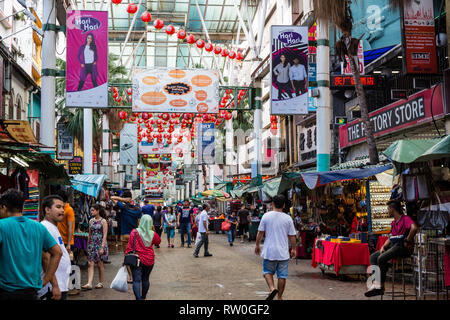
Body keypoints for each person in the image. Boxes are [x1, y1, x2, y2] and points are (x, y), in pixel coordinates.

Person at [0, 189, 62, 300]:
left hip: (6, 291)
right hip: (32, 292)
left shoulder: (1, 226)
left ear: (4, 207)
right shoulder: (38, 227)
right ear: (22, 207)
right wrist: (46, 280)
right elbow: (57, 253)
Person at [365, 200, 418, 297]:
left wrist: (407, 240)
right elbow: (390, 237)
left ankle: (379, 286)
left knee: (381, 258)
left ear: (392, 209)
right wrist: (383, 246)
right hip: (394, 246)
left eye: (388, 209)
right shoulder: (394, 223)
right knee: (373, 256)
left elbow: (414, 228)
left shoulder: (405, 219)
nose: (387, 211)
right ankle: (378, 285)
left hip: (403, 248)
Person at [255, 194, 296, 300]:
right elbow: (292, 236)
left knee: (267, 272)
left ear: (272, 204)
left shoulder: (266, 216)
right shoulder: (288, 218)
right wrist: (294, 249)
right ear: (283, 205)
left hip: (269, 251)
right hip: (282, 252)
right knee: (282, 276)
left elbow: (260, 233)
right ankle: (279, 297)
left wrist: (257, 245)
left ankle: (272, 288)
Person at [38, 195, 72, 300]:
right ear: (47, 210)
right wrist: (55, 285)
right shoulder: (45, 227)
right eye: (58, 207)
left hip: (60, 285)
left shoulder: (53, 227)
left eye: (63, 207)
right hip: (51, 288)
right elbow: (46, 258)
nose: (62, 210)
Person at [125, 215, 161, 300]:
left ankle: (138, 298)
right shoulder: (153, 233)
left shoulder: (134, 232)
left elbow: (129, 246)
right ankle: (143, 297)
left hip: (136, 259)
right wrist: (153, 230)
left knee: (136, 280)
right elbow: (158, 241)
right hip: (149, 259)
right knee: (145, 279)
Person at [111, 191, 142, 282]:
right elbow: (139, 224)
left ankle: (131, 277)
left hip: (125, 235)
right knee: (136, 255)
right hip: (135, 235)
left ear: (125, 198)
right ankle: (137, 275)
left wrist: (123, 200)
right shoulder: (138, 209)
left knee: (127, 256)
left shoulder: (123, 207)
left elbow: (112, 198)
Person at [81, 204, 108, 290]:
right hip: (92, 244)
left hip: (100, 243)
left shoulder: (103, 221)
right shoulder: (91, 221)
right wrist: (88, 245)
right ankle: (89, 283)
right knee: (90, 263)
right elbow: (90, 234)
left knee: (100, 264)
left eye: (93, 210)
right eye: (91, 210)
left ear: (98, 211)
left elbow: (105, 235)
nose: (91, 212)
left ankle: (100, 282)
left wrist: (102, 247)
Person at [55, 190, 75, 257]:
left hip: (67, 242)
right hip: (60, 239)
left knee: (68, 262)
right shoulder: (61, 209)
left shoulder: (69, 210)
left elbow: (70, 227)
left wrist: (69, 244)